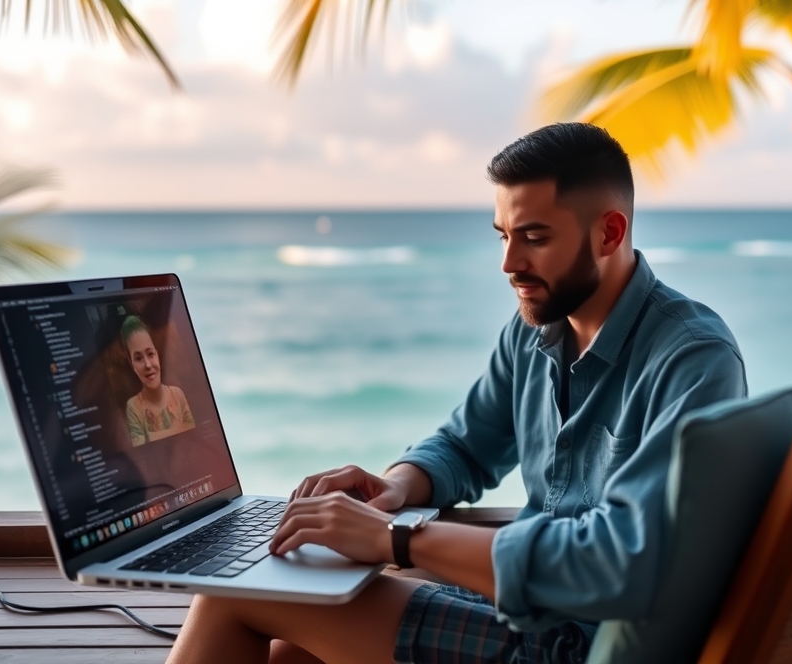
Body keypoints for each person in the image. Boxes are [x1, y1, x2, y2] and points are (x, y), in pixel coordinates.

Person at [165, 123, 747, 664]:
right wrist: (395, 488)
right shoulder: (534, 332)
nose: (509, 263)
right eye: (503, 235)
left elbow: (625, 562)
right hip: (535, 615)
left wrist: (396, 539)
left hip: (588, 644)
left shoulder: (693, 358)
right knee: (293, 653)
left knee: (231, 595)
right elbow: (466, 446)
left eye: (534, 238)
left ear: (609, 232)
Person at [122, 315, 195, 446]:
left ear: (157, 354)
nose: (148, 365)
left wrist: (150, 436)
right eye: (138, 358)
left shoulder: (178, 394)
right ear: (131, 363)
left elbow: (194, 436)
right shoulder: (133, 407)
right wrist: (180, 428)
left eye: (150, 354)